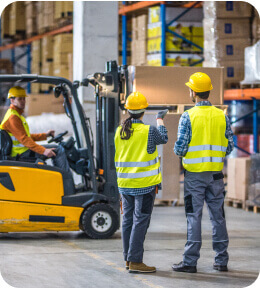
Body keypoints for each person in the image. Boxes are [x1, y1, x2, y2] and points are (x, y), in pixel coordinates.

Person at [172, 72, 234, 273]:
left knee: (194, 216)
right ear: (209, 91)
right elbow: (230, 146)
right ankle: (221, 260)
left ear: (193, 92)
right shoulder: (221, 115)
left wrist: (180, 150)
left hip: (194, 177)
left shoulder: (188, 116)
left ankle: (190, 262)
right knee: (218, 216)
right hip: (216, 175)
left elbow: (180, 149)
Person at [114, 91, 168, 274]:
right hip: (144, 185)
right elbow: (164, 138)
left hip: (125, 184)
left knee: (128, 220)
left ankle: (128, 259)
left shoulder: (119, 131)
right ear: (144, 111)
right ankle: (136, 261)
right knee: (141, 221)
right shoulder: (149, 131)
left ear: (128, 110)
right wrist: (160, 119)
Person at [0, 86, 71, 174]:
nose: (23, 101)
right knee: (58, 150)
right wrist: (44, 151)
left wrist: (45, 135)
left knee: (56, 149)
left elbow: (26, 136)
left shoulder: (16, 114)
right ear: (12, 100)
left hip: (22, 151)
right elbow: (25, 140)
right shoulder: (13, 117)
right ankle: (65, 181)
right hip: (20, 154)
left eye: (24, 99)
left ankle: (61, 178)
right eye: (20, 99)